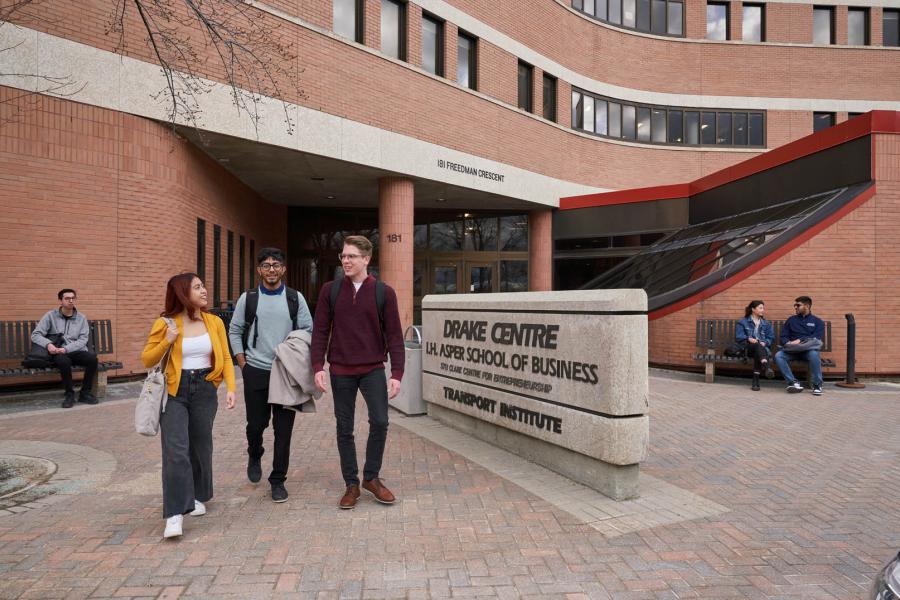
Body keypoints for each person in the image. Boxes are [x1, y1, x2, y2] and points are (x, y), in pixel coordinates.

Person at [311, 235, 405, 510]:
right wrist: (318, 366)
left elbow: (395, 336)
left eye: (351, 256)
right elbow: (319, 331)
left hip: (373, 369)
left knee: (380, 421)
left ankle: (371, 478)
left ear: (366, 259)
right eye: (343, 256)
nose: (346, 261)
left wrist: (396, 373)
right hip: (340, 370)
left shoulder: (383, 293)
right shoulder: (330, 290)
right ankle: (351, 484)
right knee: (345, 428)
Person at [140, 273, 235, 540]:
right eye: (197, 287)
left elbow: (226, 357)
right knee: (175, 451)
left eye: (203, 285)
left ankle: (197, 495)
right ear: (183, 292)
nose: (204, 290)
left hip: (205, 389)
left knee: (201, 445)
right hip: (175, 391)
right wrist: (167, 340)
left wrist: (230, 387)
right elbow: (147, 359)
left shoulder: (213, 321)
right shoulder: (165, 323)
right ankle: (173, 514)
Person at [228, 247, 312, 503]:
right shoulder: (249, 298)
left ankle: (278, 480)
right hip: (256, 371)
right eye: (266, 265)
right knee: (256, 425)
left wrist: (295, 354)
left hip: (286, 372)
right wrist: (243, 364)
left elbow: (308, 330)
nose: (271, 269)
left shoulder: (295, 298)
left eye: (276, 265)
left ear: (283, 269)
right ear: (259, 270)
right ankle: (255, 452)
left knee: (283, 430)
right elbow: (234, 330)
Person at [31, 289, 99, 408]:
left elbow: (83, 340)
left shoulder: (81, 318)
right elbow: (35, 334)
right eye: (67, 298)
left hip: (75, 350)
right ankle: (69, 395)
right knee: (63, 362)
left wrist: (67, 349)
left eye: (73, 298)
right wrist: (49, 344)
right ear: (61, 300)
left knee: (92, 359)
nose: (71, 301)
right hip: (57, 351)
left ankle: (85, 393)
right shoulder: (50, 316)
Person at [774, 295, 826, 396]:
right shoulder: (791, 320)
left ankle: (817, 385)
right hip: (792, 351)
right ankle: (793, 382)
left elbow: (816, 337)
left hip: (808, 351)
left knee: (814, 355)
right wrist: (787, 343)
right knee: (778, 355)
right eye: (795, 305)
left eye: (798, 305)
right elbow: (784, 336)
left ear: (807, 306)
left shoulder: (817, 322)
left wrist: (799, 340)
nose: (795, 307)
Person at [735, 300, 775, 391]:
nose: (763, 310)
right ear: (753, 309)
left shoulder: (766, 324)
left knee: (759, 348)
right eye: (760, 308)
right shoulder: (743, 322)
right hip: (747, 349)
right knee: (757, 346)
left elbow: (771, 338)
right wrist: (748, 339)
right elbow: (739, 336)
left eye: (763, 308)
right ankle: (766, 366)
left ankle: (755, 381)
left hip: (761, 350)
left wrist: (765, 342)